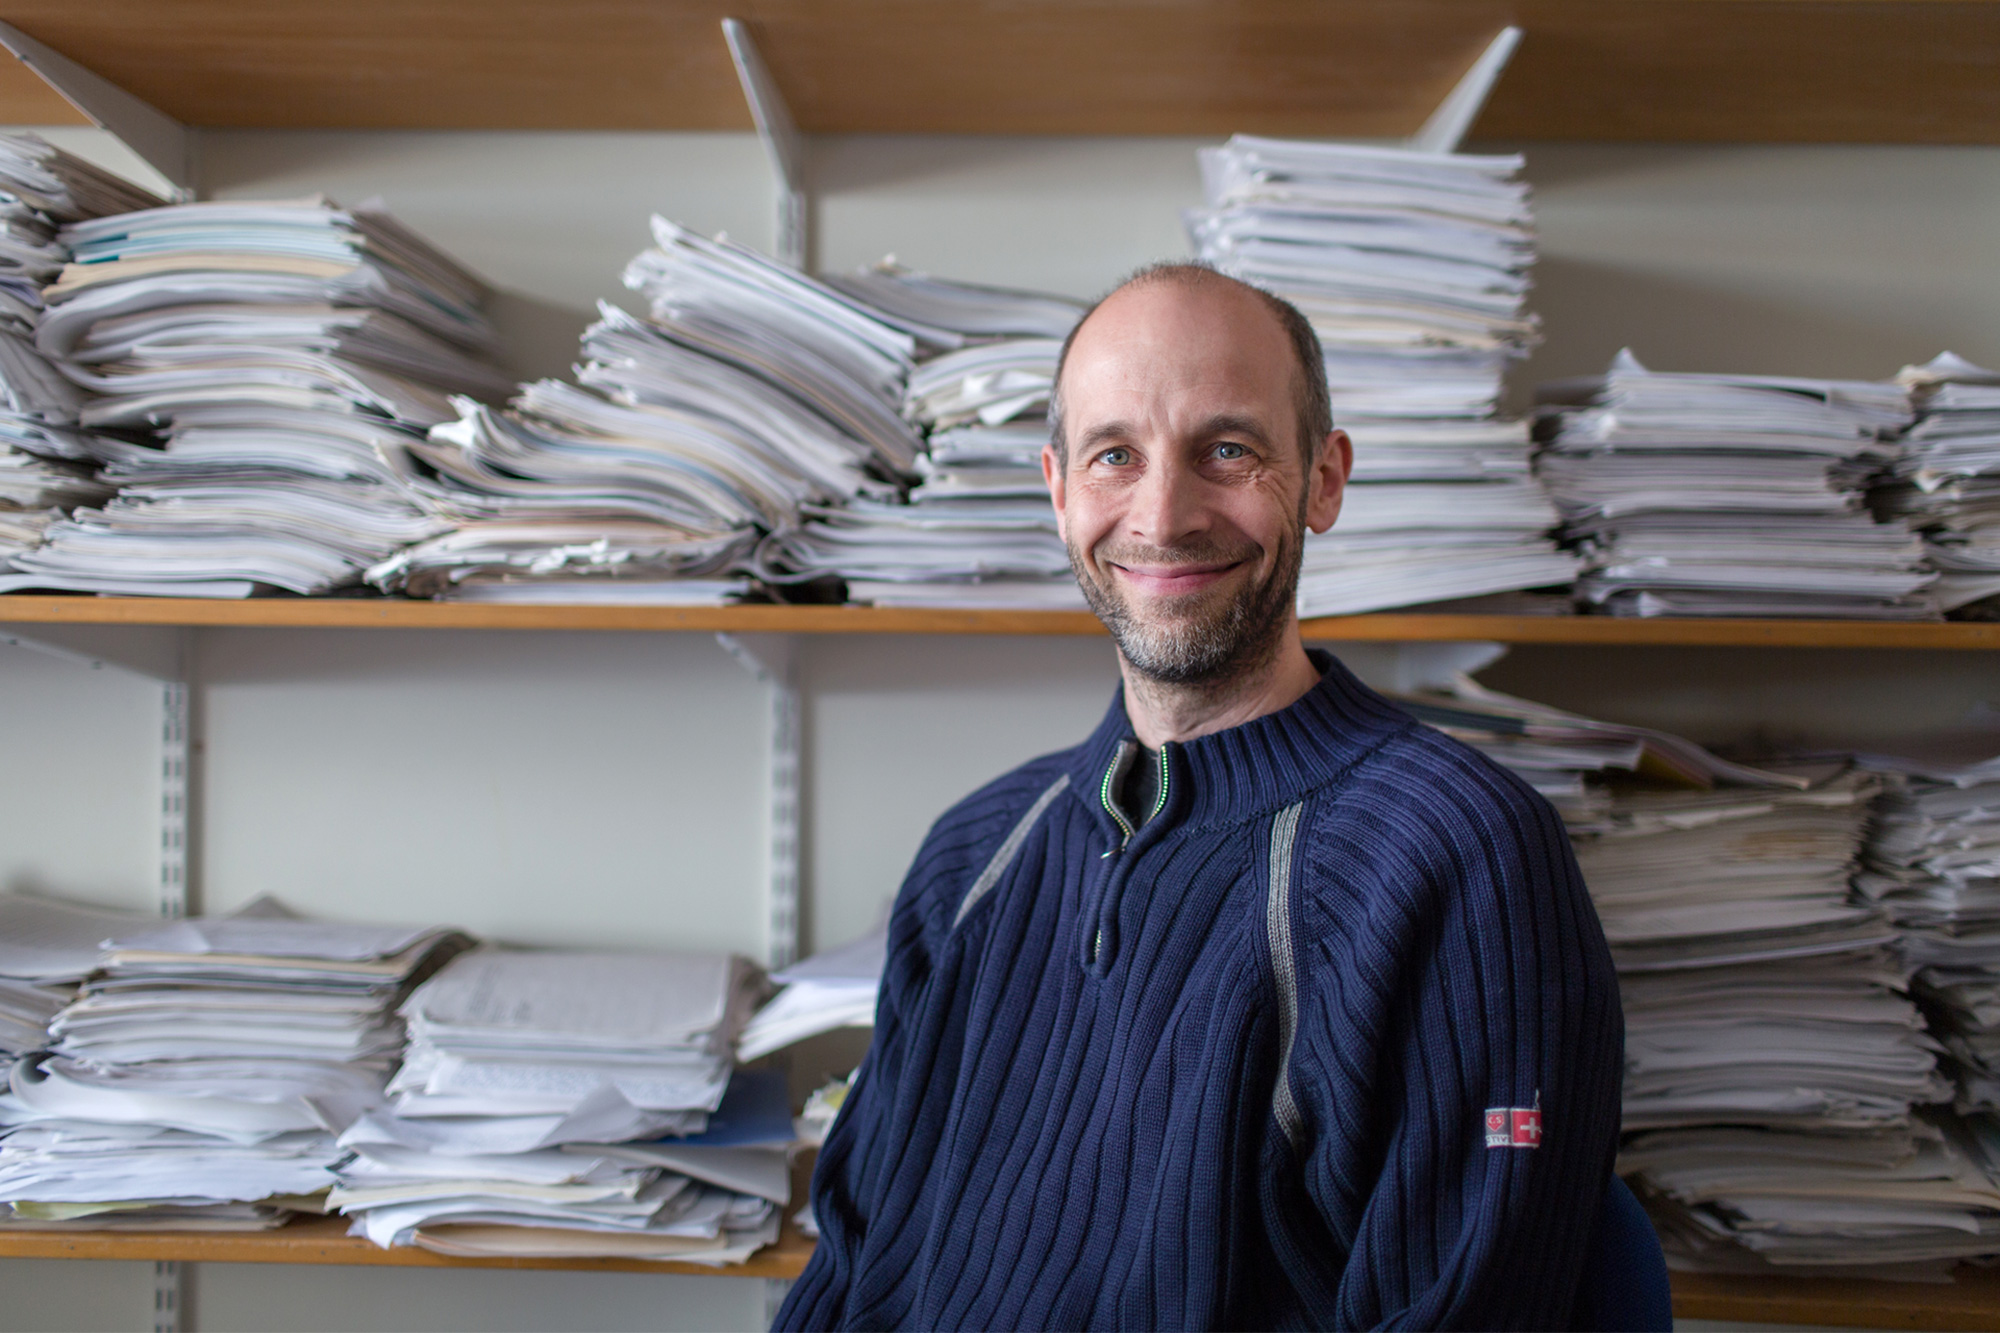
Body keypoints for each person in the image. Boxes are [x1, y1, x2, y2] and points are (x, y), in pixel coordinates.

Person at [775, 264, 1624, 1331]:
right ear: (1057, 489)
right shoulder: (972, 853)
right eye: (1114, 455)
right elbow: (849, 1269)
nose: (1163, 516)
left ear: (1321, 478)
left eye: (1226, 449)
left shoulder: (1463, 856)